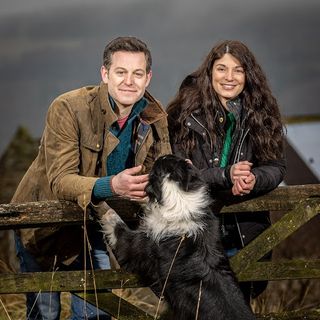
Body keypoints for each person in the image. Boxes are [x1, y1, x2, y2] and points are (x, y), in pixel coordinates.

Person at [12, 36, 171, 320]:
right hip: (44, 228)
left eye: (137, 73)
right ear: (104, 74)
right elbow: (60, 180)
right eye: (120, 72)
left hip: (93, 228)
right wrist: (112, 185)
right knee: (45, 313)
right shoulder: (68, 108)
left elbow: (158, 171)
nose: (129, 81)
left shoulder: (154, 119)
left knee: (95, 312)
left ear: (148, 78)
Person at [167, 40, 286, 302]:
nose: (229, 77)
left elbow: (276, 167)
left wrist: (254, 179)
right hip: (195, 235)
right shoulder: (184, 114)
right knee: (200, 307)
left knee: (240, 305)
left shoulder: (262, 114)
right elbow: (179, 173)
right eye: (222, 69)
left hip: (247, 232)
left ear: (248, 75)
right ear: (209, 73)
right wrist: (225, 175)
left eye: (238, 70)